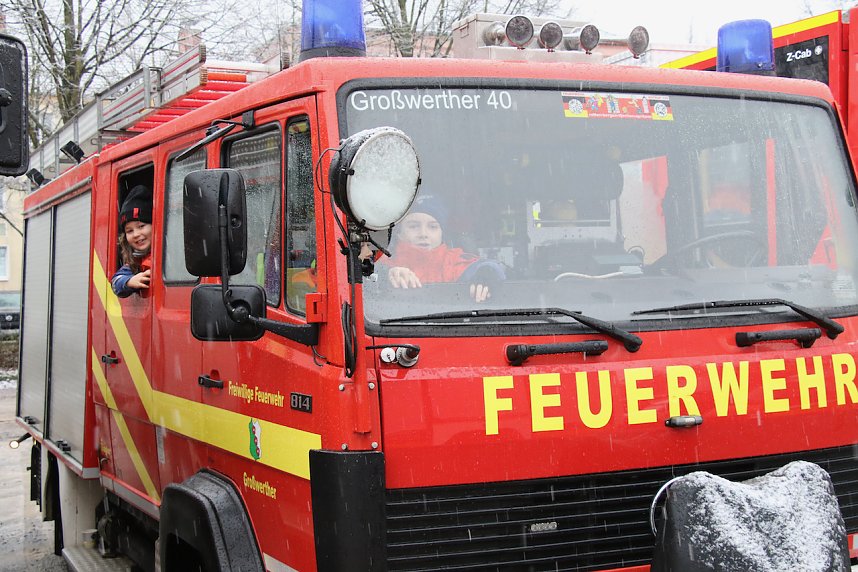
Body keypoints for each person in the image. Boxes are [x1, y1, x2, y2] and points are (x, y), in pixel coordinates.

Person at [383, 194, 503, 302]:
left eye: (432, 227)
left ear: (442, 233)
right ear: (398, 233)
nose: (423, 234)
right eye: (414, 226)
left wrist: (486, 273)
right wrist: (385, 275)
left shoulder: (454, 263)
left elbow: (488, 267)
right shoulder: (383, 264)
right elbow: (373, 275)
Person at [111, 185, 153, 298]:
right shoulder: (135, 262)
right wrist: (129, 281)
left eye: (141, 226)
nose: (136, 234)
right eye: (129, 231)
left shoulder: (167, 256)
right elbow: (116, 281)